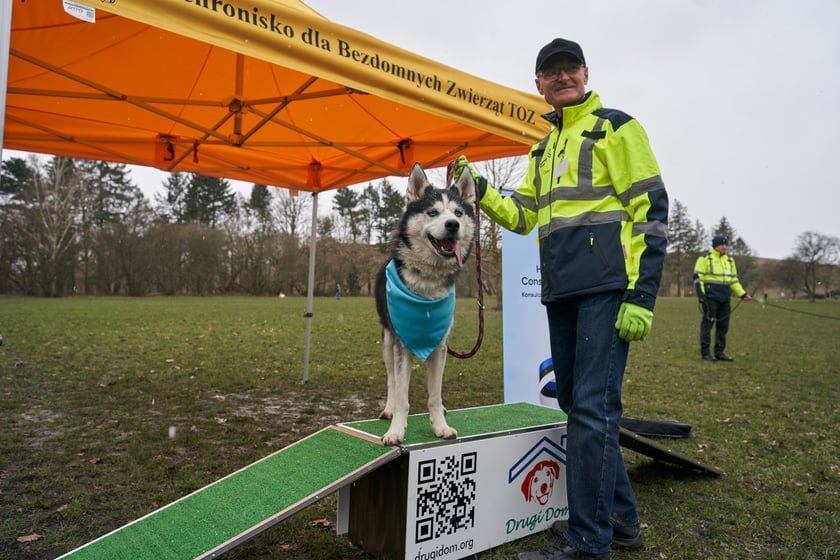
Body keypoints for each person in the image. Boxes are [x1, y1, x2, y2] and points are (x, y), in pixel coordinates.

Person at [455, 38, 668, 560]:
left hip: (606, 288)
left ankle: (588, 540)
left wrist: (642, 295)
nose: (561, 77)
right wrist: (481, 190)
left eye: (569, 68)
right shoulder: (541, 148)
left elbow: (653, 207)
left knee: (592, 411)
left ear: (586, 73)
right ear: (539, 85)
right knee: (579, 407)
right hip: (562, 290)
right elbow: (525, 216)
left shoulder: (616, 126)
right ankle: (619, 521)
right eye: (551, 72)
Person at [693, 235, 751, 361]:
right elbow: (698, 279)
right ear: (715, 246)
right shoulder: (704, 258)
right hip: (710, 298)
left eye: (726, 244)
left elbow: (734, 281)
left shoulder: (730, 261)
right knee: (707, 326)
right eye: (721, 244)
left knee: (723, 327)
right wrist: (701, 296)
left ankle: (719, 353)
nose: (724, 247)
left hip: (725, 299)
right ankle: (706, 353)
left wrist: (743, 294)